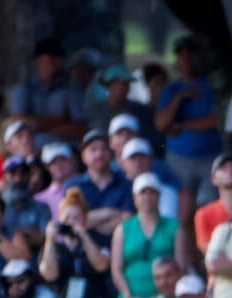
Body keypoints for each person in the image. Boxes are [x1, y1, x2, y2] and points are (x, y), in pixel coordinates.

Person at [111, 173, 181, 298]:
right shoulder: (123, 229)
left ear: (159, 196)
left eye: (152, 192)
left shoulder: (174, 227)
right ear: (135, 198)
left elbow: (181, 266)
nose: (148, 197)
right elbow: (116, 269)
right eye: (143, 193)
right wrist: (129, 297)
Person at [155, 35, 223, 214]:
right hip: (179, 158)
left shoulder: (210, 87)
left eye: (190, 56)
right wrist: (179, 99)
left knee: (208, 207)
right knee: (181, 210)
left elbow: (214, 121)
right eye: (182, 57)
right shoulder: (171, 90)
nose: (186, 61)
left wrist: (181, 126)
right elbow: (162, 125)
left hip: (210, 157)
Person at [8, 38, 83, 142]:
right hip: (31, 149)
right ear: (38, 61)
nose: (56, 63)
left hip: (63, 150)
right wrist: (61, 120)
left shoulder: (71, 89)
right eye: (51, 58)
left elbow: (80, 128)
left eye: (58, 58)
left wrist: (38, 124)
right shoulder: (23, 89)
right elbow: (19, 123)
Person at [64, 129, 134, 234]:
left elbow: (129, 219)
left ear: (111, 154)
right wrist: (110, 213)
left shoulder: (126, 182)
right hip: (84, 247)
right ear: (83, 156)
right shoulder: (73, 185)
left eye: (104, 149)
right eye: (93, 150)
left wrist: (88, 222)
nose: (99, 154)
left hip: (120, 246)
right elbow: (72, 221)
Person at [86, 65, 159, 150]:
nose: (127, 88)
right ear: (109, 85)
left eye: (128, 84)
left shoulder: (139, 109)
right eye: (123, 84)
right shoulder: (95, 110)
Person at [0, 156, 51, 254]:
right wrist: (26, 233)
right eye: (13, 172)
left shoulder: (41, 207)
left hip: (33, 263)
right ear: (4, 176)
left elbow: (44, 239)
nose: (19, 177)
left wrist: (15, 235)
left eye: (24, 172)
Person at [121, 138, 179, 220]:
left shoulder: (166, 192)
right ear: (123, 163)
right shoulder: (114, 188)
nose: (138, 163)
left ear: (151, 160)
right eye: (133, 158)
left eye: (142, 157)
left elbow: (165, 228)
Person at [194, 154, 232, 253]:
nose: (229, 171)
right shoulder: (203, 214)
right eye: (223, 168)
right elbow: (206, 249)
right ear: (213, 179)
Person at [35, 142, 77, 220]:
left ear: (73, 160)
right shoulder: (39, 199)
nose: (58, 165)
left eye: (62, 159)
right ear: (46, 167)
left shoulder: (89, 187)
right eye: (53, 162)